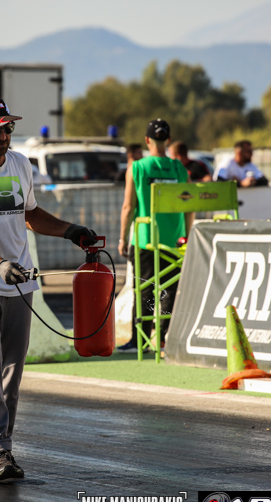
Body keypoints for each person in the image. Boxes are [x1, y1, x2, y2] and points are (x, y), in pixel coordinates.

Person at [0, 95, 96, 483]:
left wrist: (69, 231)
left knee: (12, 368)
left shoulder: (21, 164)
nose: (4, 136)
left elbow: (30, 214)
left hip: (18, 278)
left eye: (8, 128)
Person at [117, 119, 195, 353]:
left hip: (145, 239)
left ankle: (139, 341)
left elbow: (128, 207)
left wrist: (123, 238)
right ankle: (161, 337)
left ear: (147, 140)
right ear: (168, 140)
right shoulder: (179, 168)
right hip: (173, 241)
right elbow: (190, 208)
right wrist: (186, 236)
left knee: (144, 290)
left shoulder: (137, 167)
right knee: (169, 290)